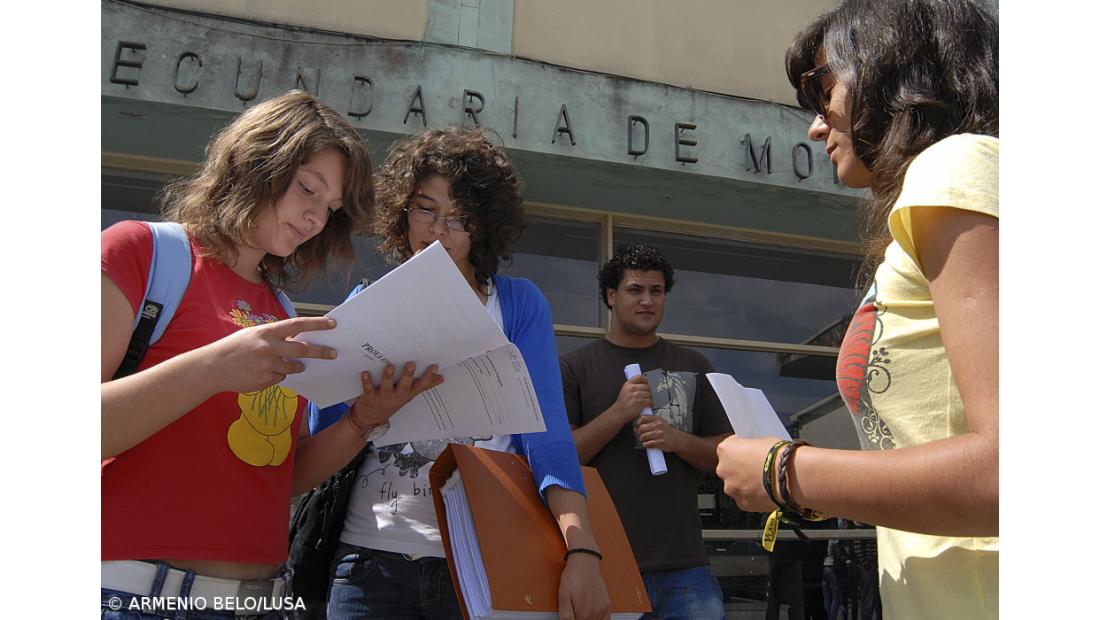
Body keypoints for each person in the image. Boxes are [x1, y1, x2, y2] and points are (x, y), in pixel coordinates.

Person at [101, 90, 442, 619]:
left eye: (330, 209)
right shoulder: (140, 251)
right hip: (139, 597)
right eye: (308, 189)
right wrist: (214, 368)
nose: (316, 218)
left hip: (265, 602)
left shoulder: (279, 309)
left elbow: (280, 473)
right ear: (256, 162)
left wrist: (362, 420)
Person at [715, 1, 998, 618]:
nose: (816, 128)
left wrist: (784, 472)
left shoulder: (954, 168)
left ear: (893, 70)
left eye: (823, 90)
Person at [305, 127, 612, 620]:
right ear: (403, 211)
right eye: (425, 209)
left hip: (481, 563)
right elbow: (320, 438)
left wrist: (582, 548)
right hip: (367, 563)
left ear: (482, 228)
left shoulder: (518, 304)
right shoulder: (364, 303)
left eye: (460, 218)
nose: (438, 230)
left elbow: (548, 436)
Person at [560, 243, 733, 620]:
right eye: (635, 289)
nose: (647, 300)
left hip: (685, 566)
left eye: (656, 291)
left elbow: (727, 454)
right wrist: (618, 413)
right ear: (611, 295)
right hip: (605, 562)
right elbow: (560, 461)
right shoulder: (575, 367)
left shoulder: (694, 364)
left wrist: (678, 440)